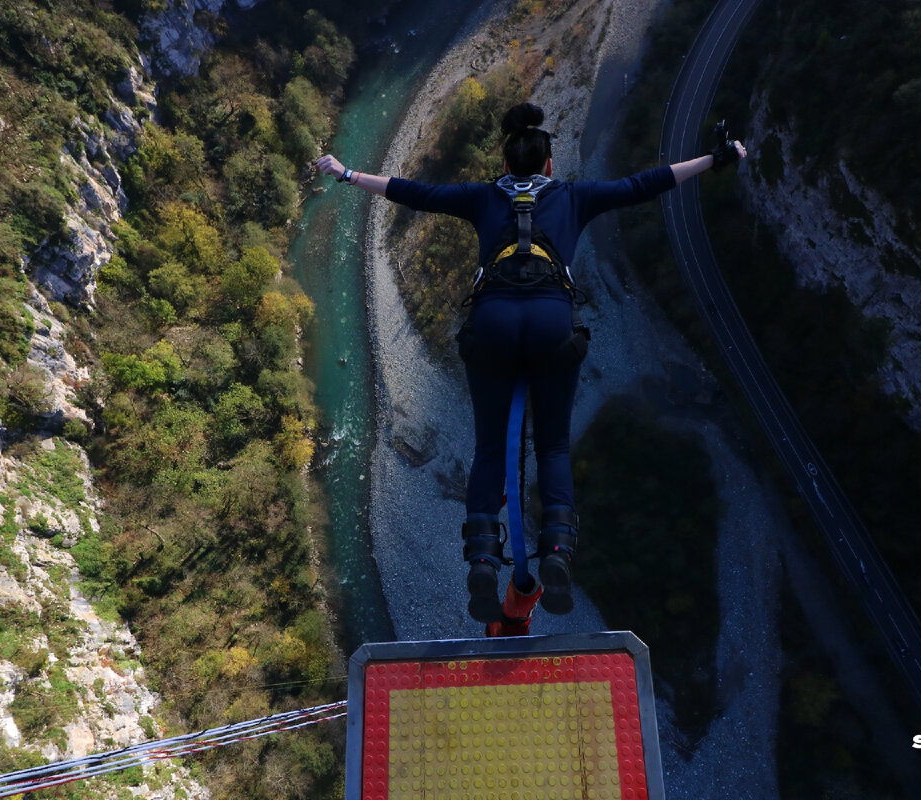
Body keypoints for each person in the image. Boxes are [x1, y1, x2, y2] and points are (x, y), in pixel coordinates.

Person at [315, 102, 745, 625]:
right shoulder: (573, 195)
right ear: (547, 164)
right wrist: (713, 159)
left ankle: (480, 560)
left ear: (505, 161)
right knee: (555, 444)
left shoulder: (481, 196)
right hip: (549, 325)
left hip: (492, 325)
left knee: (491, 446)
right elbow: (645, 184)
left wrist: (347, 174)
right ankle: (558, 550)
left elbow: (414, 192)